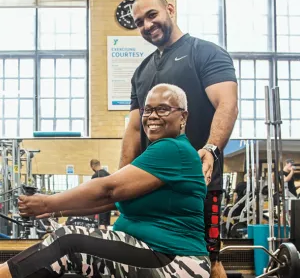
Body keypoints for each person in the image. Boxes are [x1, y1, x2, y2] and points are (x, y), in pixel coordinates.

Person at [0, 84, 210, 278]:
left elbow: (108, 190)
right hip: (154, 251)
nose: (152, 116)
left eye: (162, 109)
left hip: (175, 261)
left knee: (68, 242)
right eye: (147, 110)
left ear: (183, 116)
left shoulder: (172, 148)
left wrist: (47, 202)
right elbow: (110, 202)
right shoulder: (162, 153)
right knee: (66, 245)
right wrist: (56, 211)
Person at [119, 0, 238, 276]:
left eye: (152, 15)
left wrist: (210, 149)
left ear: (170, 9)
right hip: (152, 181)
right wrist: (120, 178)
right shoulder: (141, 71)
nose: (147, 25)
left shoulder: (205, 52)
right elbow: (134, 128)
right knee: (148, 253)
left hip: (196, 181)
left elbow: (227, 104)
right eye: (139, 22)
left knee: (209, 260)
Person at [90, 159, 111, 229]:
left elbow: (93, 194)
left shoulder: (95, 176)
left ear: (92, 166)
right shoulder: (109, 175)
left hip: (100, 207)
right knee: (106, 226)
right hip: (109, 206)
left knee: (101, 227)